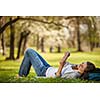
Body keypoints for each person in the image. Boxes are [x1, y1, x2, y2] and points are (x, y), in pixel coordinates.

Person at [18, 48, 96, 79]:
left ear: (84, 72)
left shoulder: (74, 74)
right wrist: (65, 57)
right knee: (31, 52)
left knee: (29, 51)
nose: (79, 65)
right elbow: (63, 63)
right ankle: (22, 74)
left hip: (43, 72)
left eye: (82, 66)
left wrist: (61, 65)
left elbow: (57, 77)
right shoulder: (76, 67)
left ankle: (21, 75)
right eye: (82, 63)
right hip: (48, 67)